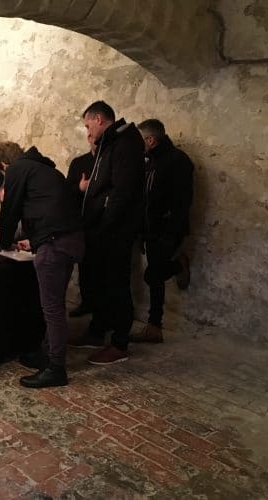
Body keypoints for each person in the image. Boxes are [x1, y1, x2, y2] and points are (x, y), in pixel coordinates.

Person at [0, 141, 84, 388]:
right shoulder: (47, 170)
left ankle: (56, 368)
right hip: (72, 240)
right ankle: (46, 354)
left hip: (54, 244)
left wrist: (5, 242)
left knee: (52, 308)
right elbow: (47, 209)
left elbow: (10, 210)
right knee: (55, 303)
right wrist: (33, 240)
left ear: (4, 165)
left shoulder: (17, 169)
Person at [69, 101, 144, 365]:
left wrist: (105, 223)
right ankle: (97, 331)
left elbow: (121, 192)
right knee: (100, 283)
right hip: (101, 228)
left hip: (115, 230)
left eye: (88, 125)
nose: (88, 131)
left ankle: (120, 344)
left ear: (99, 119)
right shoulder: (111, 142)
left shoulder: (126, 143)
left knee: (116, 285)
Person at [130, 119, 194, 343]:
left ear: (150, 140)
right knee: (155, 279)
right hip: (150, 230)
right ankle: (154, 327)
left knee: (153, 275)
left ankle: (179, 265)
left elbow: (182, 203)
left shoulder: (178, 161)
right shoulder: (149, 161)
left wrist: (170, 234)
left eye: (139, 140)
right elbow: (145, 198)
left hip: (167, 231)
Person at [66, 137, 96, 318]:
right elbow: (67, 191)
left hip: (103, 223)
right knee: (84, 267)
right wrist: (80, 187)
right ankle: (87, 302)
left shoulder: (109, 161)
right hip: (82, 222)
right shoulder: (79, 163)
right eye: (90, 136)